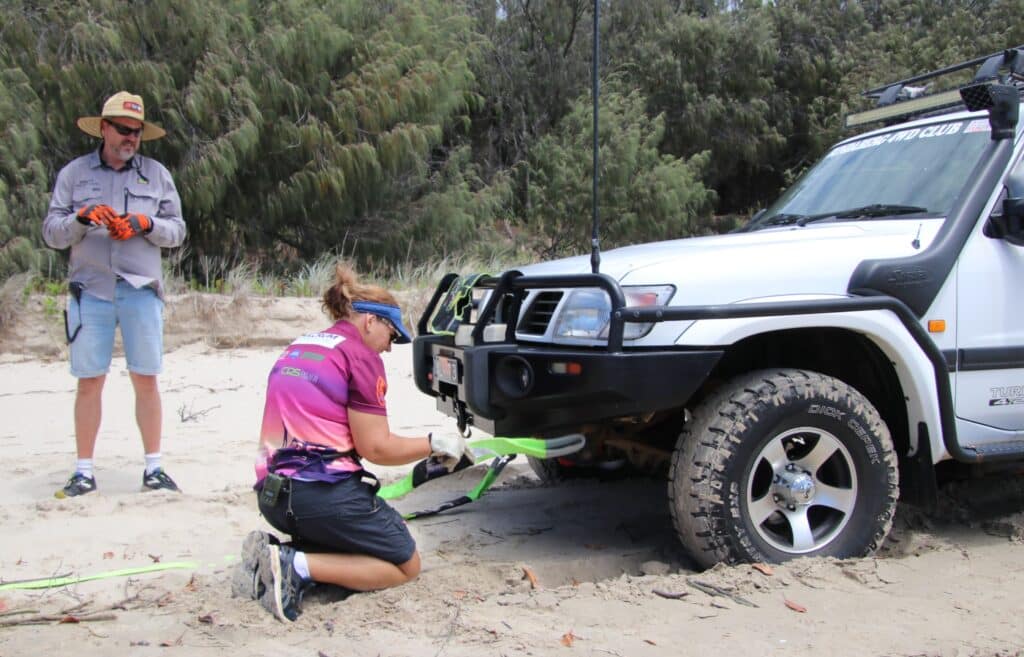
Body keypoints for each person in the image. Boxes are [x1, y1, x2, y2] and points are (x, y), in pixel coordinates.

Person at [239, 263, 469, 622]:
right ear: (371, 321)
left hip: (272, 497)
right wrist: (435, 443)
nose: (390, 350)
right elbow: (376, 449)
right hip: (319, 497)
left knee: (353, 538)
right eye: (392, 336)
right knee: (405, 563)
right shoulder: (360, 358)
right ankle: (294, 564)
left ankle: (278, 554)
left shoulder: (301, 346)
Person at [42, 91, 187, 498]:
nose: (131, 138)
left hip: (141, 290)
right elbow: (51, 232)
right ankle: (83, 472)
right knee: (89, 381)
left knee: (146, 378)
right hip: (91, 290)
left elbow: (177, 230)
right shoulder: (74, 175)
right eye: (123, 130)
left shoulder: (157, 175)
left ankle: (154, 469)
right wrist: (82, 219)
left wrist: (144, 223)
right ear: (103, 128)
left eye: (137, 132)